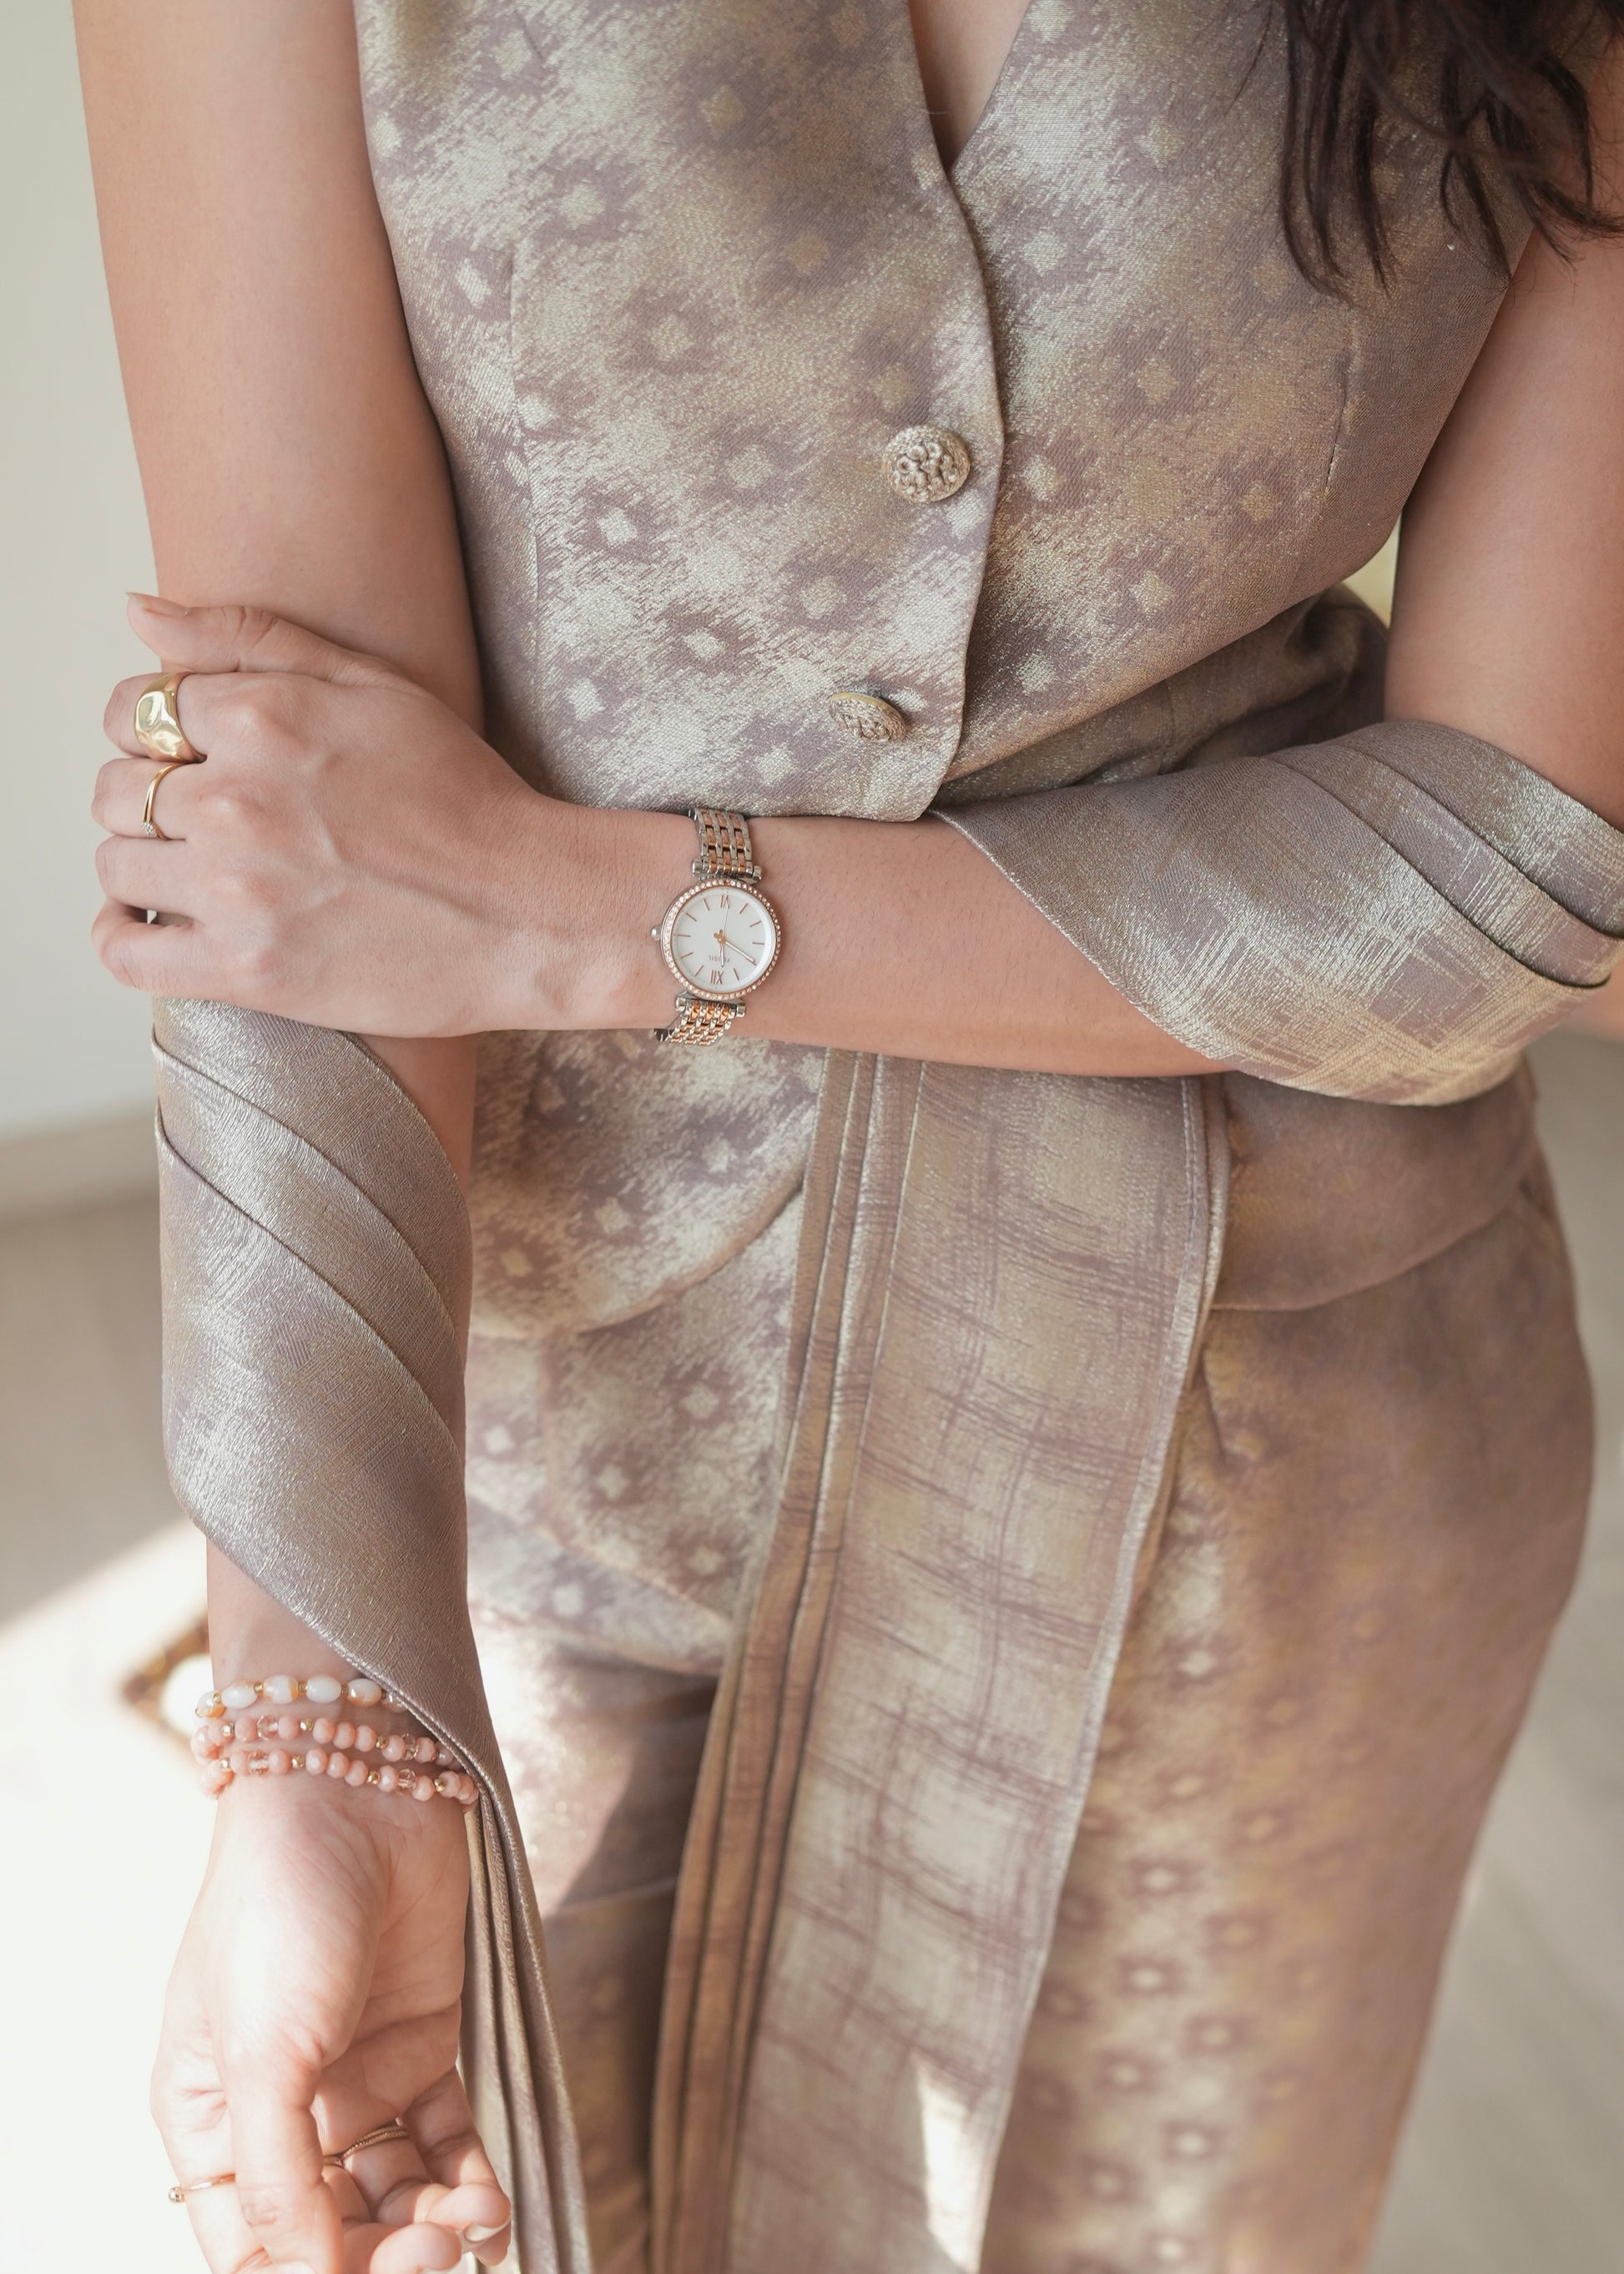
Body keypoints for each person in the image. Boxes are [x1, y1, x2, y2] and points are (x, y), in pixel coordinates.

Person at [76, 3, 1624, 2271]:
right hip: (538, 1455)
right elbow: (292, 820)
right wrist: (320, 1732)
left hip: (1263, 1458)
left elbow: (1526, 879)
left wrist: (598, 909)